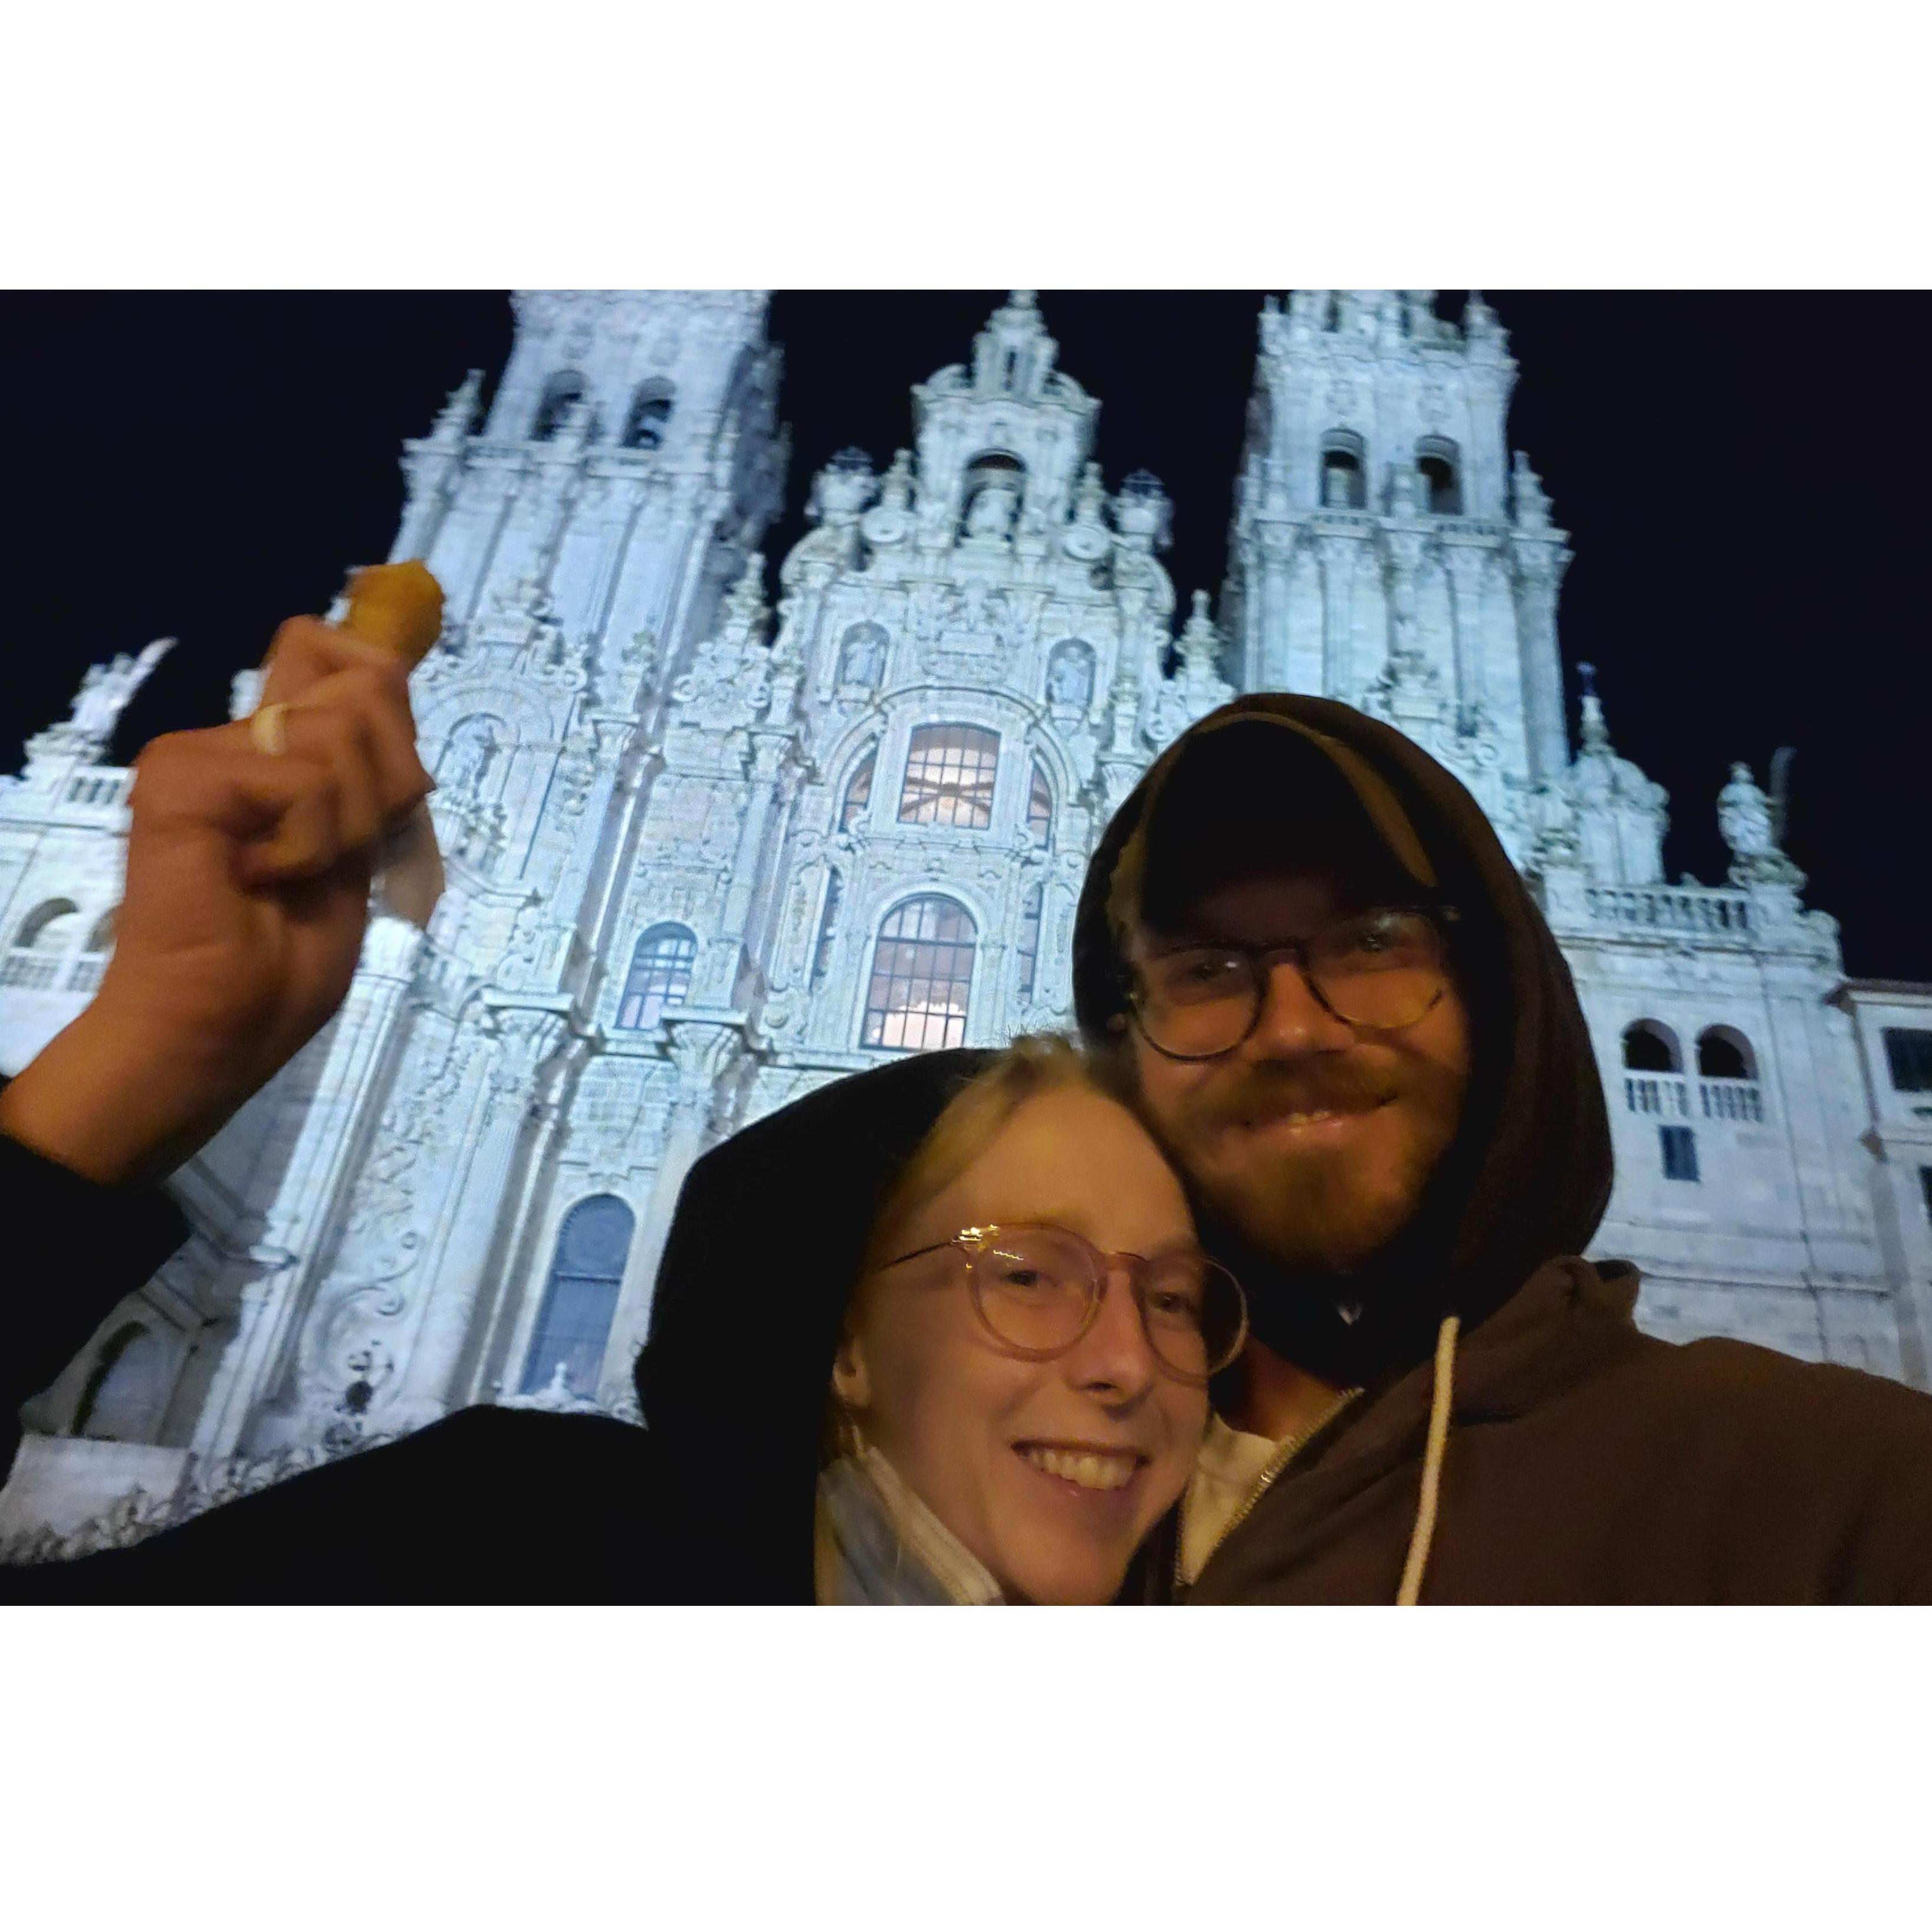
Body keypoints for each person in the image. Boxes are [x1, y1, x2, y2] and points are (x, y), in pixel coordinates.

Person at [1064, 696, 1932, 1601]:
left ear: (1501, 993)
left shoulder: (1838, 1505)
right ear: (1118, 1035)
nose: (1291, 1031)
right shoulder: (1025, 1485)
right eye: (1205, 969)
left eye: (1370, 941)